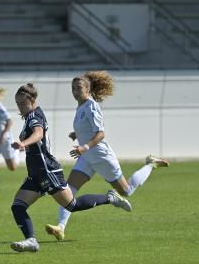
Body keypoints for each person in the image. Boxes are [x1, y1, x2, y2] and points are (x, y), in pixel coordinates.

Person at [45, 71, 169, 241]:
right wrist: (77, 134)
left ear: (88, 90)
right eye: (73, 88)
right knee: (69, 189)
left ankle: (150, 164)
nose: (75, 91)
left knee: (127, 191)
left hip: (101, 156)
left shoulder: (91, 105)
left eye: (79, 88)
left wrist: (84, 146)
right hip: (88, 157)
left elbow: (101, 133)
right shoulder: (81, 106)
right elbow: (88, 128)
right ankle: (61, 227)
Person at [9, 83, 131, 252]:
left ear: (32, 100)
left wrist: (23, 143)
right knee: (17, 206)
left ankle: (110, 198)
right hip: (35, 173)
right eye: (17, 104)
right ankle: (31, 241)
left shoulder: (34, 116)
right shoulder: (30, 116)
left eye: (22, 103)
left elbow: (39, 134)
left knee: (71, 205)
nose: (20, 107)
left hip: (47, 171)